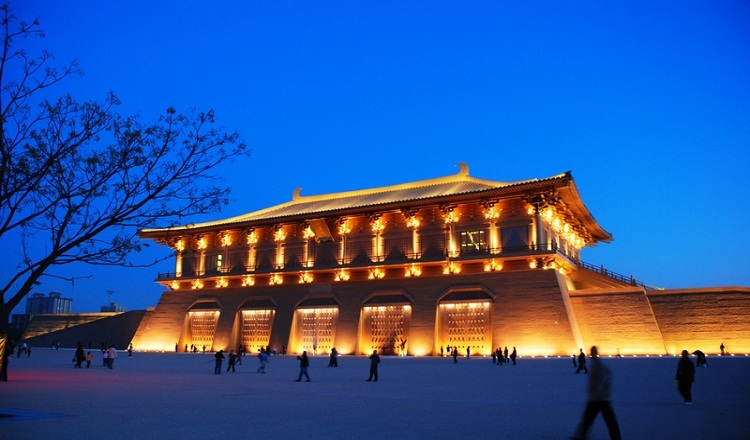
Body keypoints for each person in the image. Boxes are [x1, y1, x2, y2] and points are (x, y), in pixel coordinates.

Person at [570, 346, 621, 440]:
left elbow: (608, 374)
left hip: (600, 398)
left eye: (592, 352)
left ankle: (581, 436)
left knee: (596, 420)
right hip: (597, 398)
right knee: (590, 419)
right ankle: (581, 436)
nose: (590, 354)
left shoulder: (599, 365)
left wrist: (599, 389)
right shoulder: (595, 364)